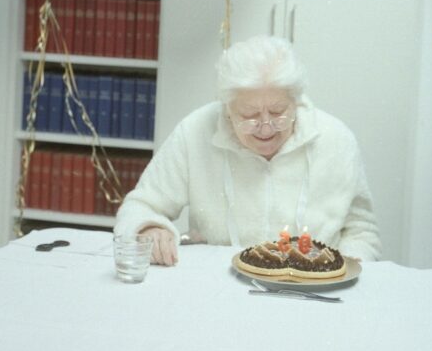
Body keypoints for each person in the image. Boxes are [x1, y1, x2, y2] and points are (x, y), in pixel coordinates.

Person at [115, 35, 383, 265]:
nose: (266, 127)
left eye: (278, 112)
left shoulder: (336, 139)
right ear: (227, 108)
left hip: (312, 291)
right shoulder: (196, 130)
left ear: (296, 101)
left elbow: (361, 231)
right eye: (249, 114)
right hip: (220, 285)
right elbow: (140, 205)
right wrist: (149, 227)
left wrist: (348, 265)